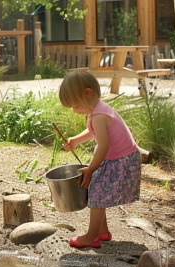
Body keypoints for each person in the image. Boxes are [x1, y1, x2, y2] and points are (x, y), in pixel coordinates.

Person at [59, 70, 141, 248]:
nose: (74, 110)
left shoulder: (99, 115)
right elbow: (93, 132)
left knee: (96, 192)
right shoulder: (96, 110)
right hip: (118, 158)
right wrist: (75, 140)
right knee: (98, 192)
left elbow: (103, 146)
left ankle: (91, 236)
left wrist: (91, 169)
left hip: (121, 160)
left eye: (76, 105)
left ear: (87, 94)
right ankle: (102, 231)